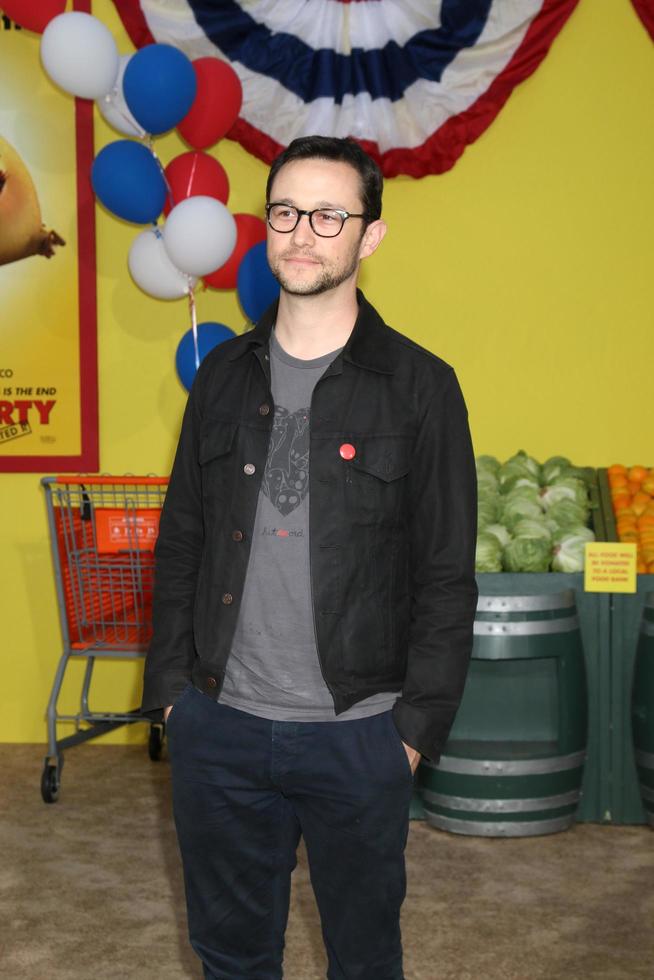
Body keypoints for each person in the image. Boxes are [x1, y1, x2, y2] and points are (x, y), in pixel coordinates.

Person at [142, 135, 478, 980]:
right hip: (219, 726)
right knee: (230, 957)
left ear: (369, 238)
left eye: (330, 215)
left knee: (365, 960)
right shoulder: (220, 374)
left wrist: (412, 734)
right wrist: (173, 699)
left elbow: (446, 574)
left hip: (361, 734)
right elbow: (181, 540)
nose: (303, 232)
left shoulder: (422, 386)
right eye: (286, 211)